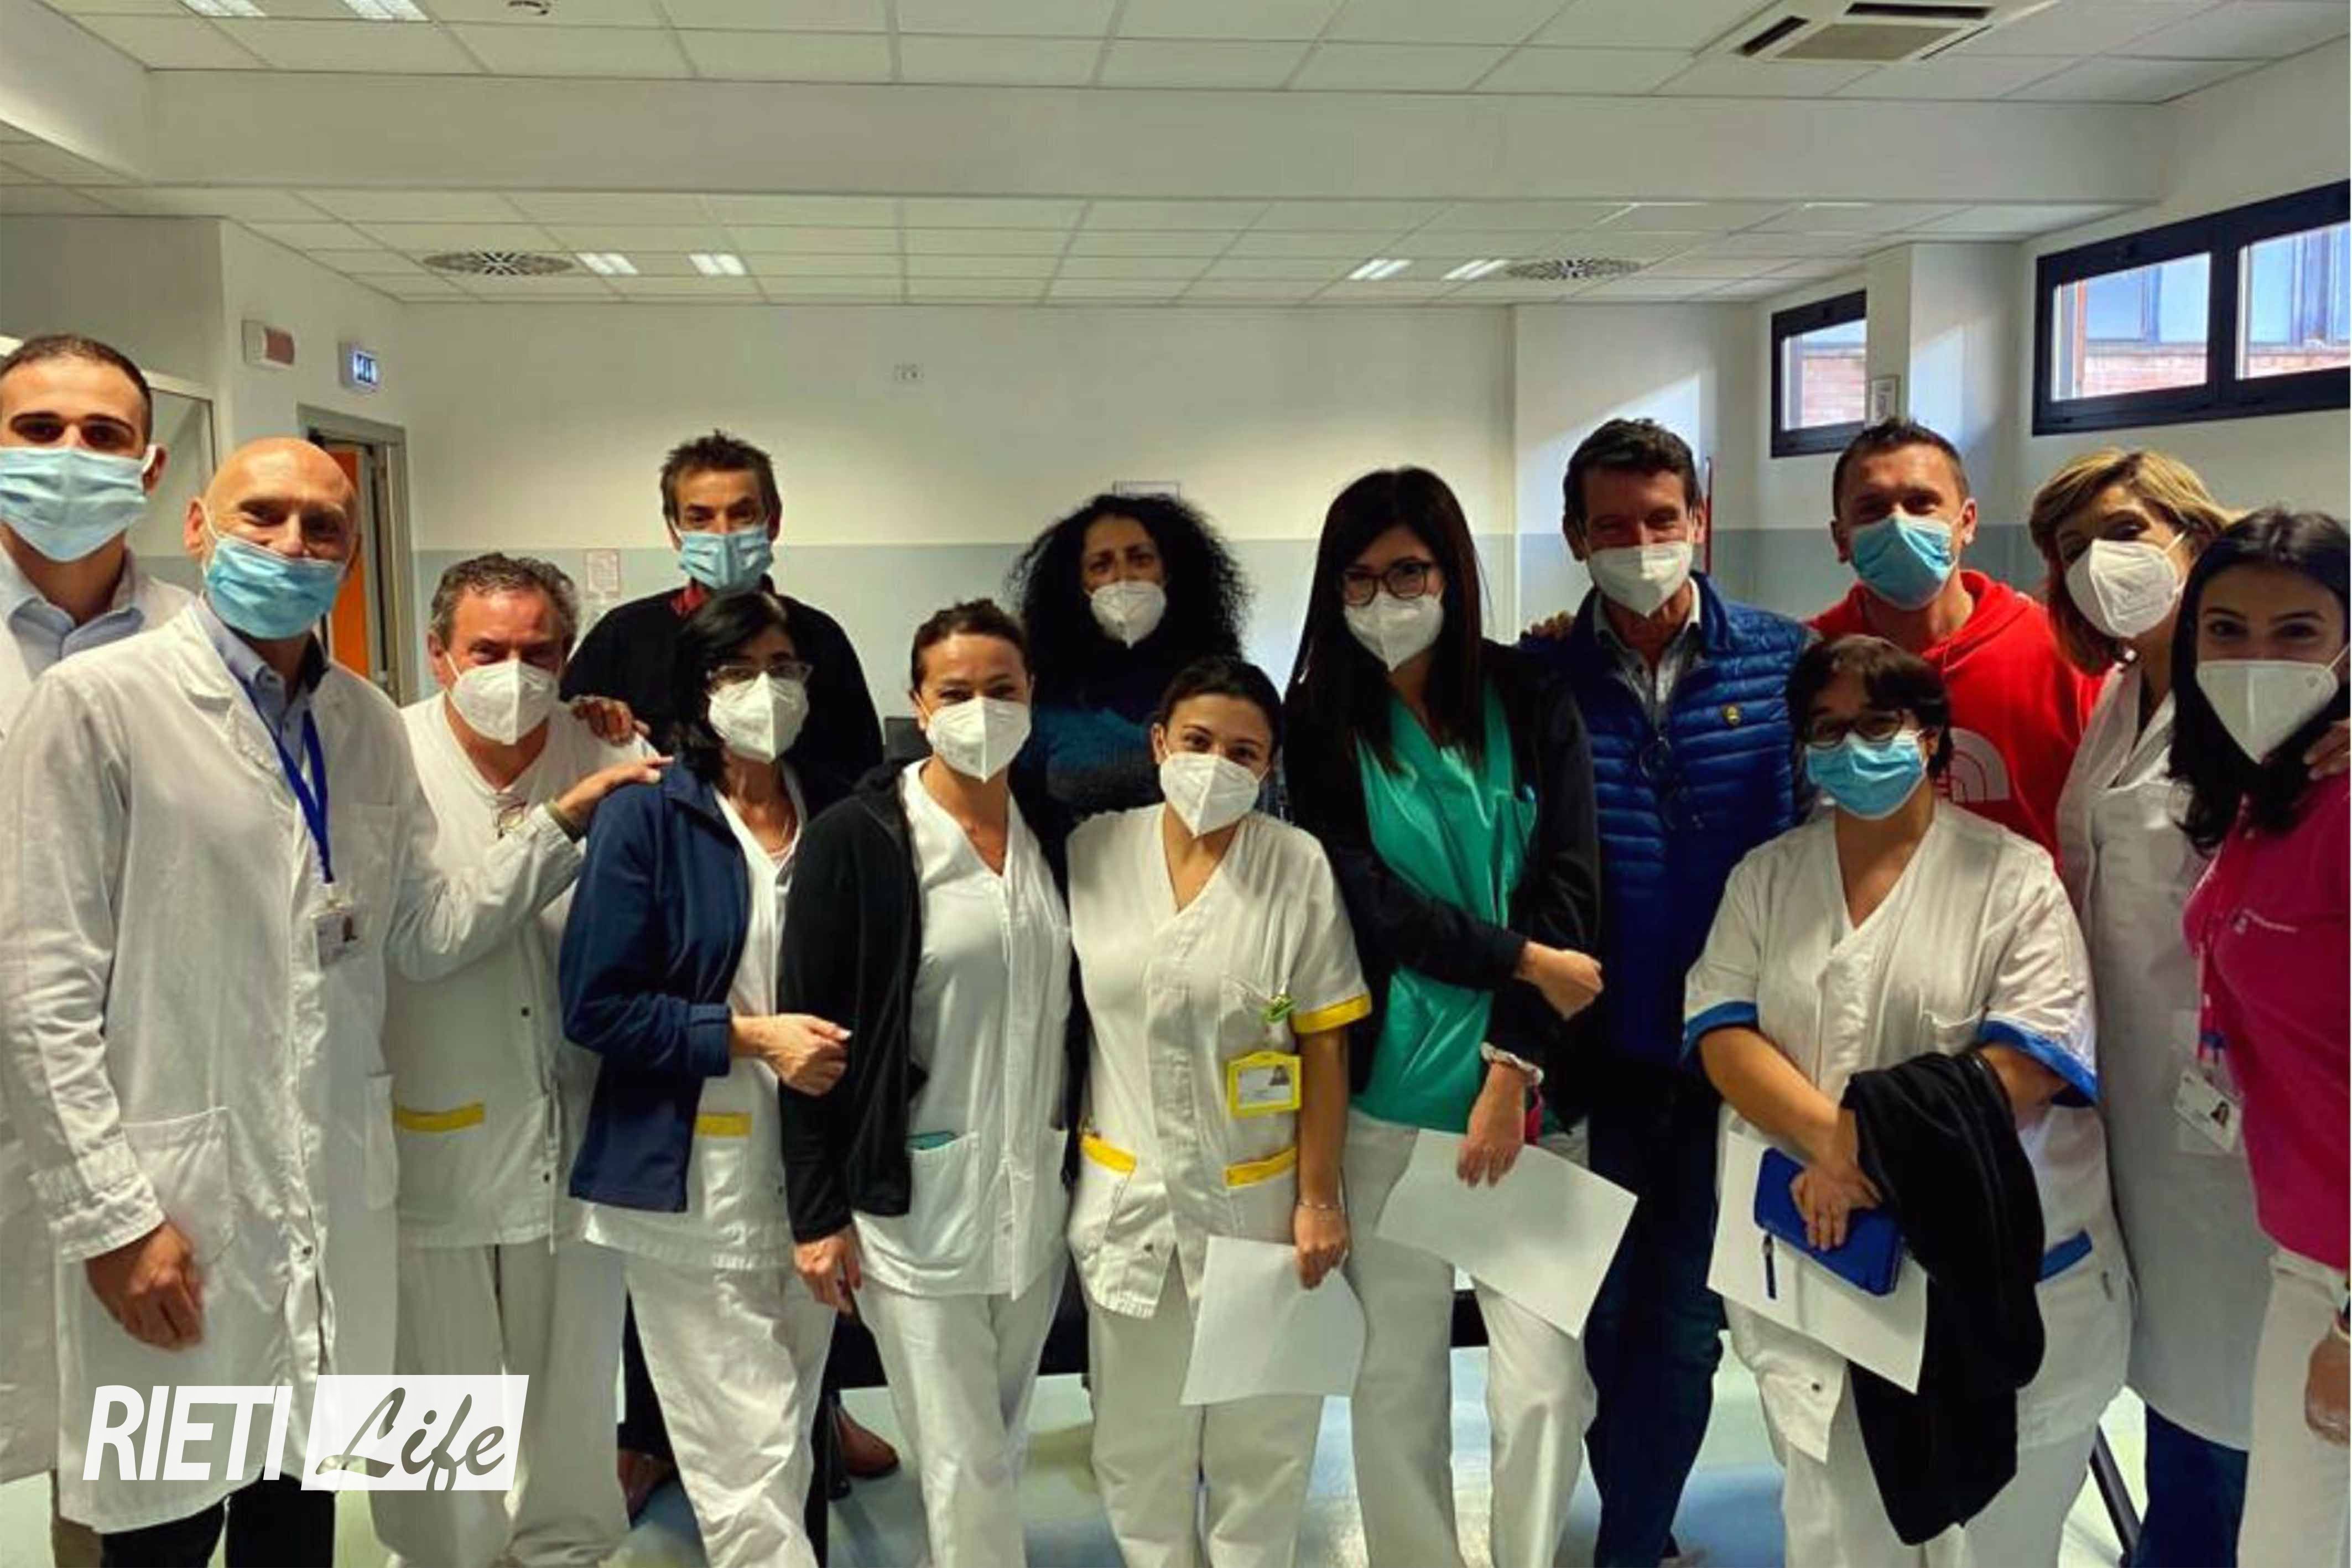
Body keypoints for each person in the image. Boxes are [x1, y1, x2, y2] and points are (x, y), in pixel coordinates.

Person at [0, 437, 655, 1566]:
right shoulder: (97, 701)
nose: (292, 545)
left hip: (340, 1181)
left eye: (323, 527)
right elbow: (39, 984)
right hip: (176, 1189)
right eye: (262, 516)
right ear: (197, 528)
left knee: (296, 1513)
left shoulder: (358, 720)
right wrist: (110, 1217)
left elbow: (415, 930)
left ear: (353, 556)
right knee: (164, 1520)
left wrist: (560, 823)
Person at [1686, 634, 2131, 1566]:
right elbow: (1722, 1032)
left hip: (1992, 1261)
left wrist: (1865, 1150)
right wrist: (1833, 1145)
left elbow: (2032, 1061)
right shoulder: (1768, 877)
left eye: (1878, 722)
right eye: (1826, 728)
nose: (1852, 745)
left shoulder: (2013, 877)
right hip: (1823, 1255)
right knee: (1840, 1527)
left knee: (2001, 1538)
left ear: (1930, 736)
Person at [555, 427, 893, 1504]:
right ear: (671, 528)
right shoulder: (622, 640)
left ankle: (823, 1415)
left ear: (773, 520)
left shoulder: (821, 639)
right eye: (699, 515)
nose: (722, 531)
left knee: (809, 1260)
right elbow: (571, 763)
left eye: (741, 512)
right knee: (685, 1299)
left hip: (794, 956)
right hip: (676, 955)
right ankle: (650, 1434)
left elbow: (855, 782)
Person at [1283, 466, 1605, 1568]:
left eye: (1408, 572)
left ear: (1451, 574)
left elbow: (1569, 881)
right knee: (1394, 1380)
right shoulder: (1318, 722)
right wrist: (1519, 958)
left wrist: (1512, 1063)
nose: (1385, 599)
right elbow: (1366, 899)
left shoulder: (1529, 695)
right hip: (1385, 1101)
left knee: (1546, 1385)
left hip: (1527, 1097)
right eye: (1359, 580)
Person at [1518, 418, 1809, 1567]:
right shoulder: (1537, 677)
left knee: (1686, 1326)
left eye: (1658, 520)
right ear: (1573, 536)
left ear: (1697, 520)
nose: (1638, 544)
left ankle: (1633, 1543)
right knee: (1596, 1316)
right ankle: (1634, 1522)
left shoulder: (1781, 663)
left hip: (1731, 1060)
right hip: (1592, 1057)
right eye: (1610, 526)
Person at [780, 600, 1080, 1568]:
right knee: (961, 1461)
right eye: (955, 692)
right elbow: (809, 1037)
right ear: (917, 702)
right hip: (912, 1201)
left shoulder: (1053, 832)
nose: (979, 709)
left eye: (1001, 688)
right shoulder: (859, 838)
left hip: (1032, 1198)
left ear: (1032, 694)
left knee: (996, 1445)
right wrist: (817, 1212)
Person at [371, 554, 656, 1568]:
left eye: (539, 650)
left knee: (575, 1388)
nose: (516, 672)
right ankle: (434, 1556)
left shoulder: (610, 743)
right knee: (426, 1391)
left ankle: (568, 1550)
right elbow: (421, 940)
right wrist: (560, 823)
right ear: (439, 653)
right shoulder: (383, 754)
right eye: (487, 650)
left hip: (578, 1126)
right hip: (426, 1122)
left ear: (569, 654)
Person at [1066, 655, 1368, 1568]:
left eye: (1243, 752)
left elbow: (1324, 1040)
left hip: (1261, 1205)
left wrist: (1318, 1198)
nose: (1216, 765)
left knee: (1263, 1447)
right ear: (1159, 743)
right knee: (1137, 1448)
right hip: (1132, 1203)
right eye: (1197, 741)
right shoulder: (1093, 851)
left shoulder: (1294, 863)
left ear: (1269, 765)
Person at [2031, 450, 2269, 1566]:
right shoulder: (2125, 694)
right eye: (2073, 548)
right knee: (2175, 1377)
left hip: (2238, 1111)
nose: (2099, 563)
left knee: (2234, 1390)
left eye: (2123, 530)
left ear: (2193, 532)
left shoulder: (2267, 704)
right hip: (2138, 1101)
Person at [0, 332, 193, 1568]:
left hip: (148, 1096)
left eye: (103, 435)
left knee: (118, 1451)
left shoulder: (201, 646)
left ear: (151, 468)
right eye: (38, 430)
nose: (71, 455)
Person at [2169, 508, 2349, 1568]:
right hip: (2306, 1255)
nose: (2255, 660)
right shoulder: (2273, 793)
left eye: (2297, 632)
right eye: (2226, 630)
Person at [1810, 419, 2098, 863]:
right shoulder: (1809, 657)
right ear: (1841, 538)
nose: (1898, 523)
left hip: (2022, 906)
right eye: (1872, 509)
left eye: (1921, 503)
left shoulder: (2060, 650)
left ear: (1967, 522)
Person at [1007, 491, 1250, 819]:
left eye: (1141, 559)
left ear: (1169, 571)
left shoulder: (1218, 684)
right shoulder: (1046, 697)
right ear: (1077, 584)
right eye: (1101, 565)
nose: (1123, 577)